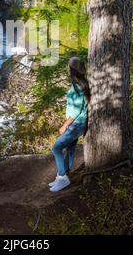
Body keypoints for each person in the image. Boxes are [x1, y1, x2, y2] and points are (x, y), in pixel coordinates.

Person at [49, 57, 90, 192]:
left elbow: (77, 109)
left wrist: (65, 125)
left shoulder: (78, 86)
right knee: (70, 149)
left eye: (69, 67)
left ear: (72, 70)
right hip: (79, 123)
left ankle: (62, 178)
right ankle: (64, 174)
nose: (67, 69)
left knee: (56, 148)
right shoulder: (81, 83)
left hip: (75, 124)